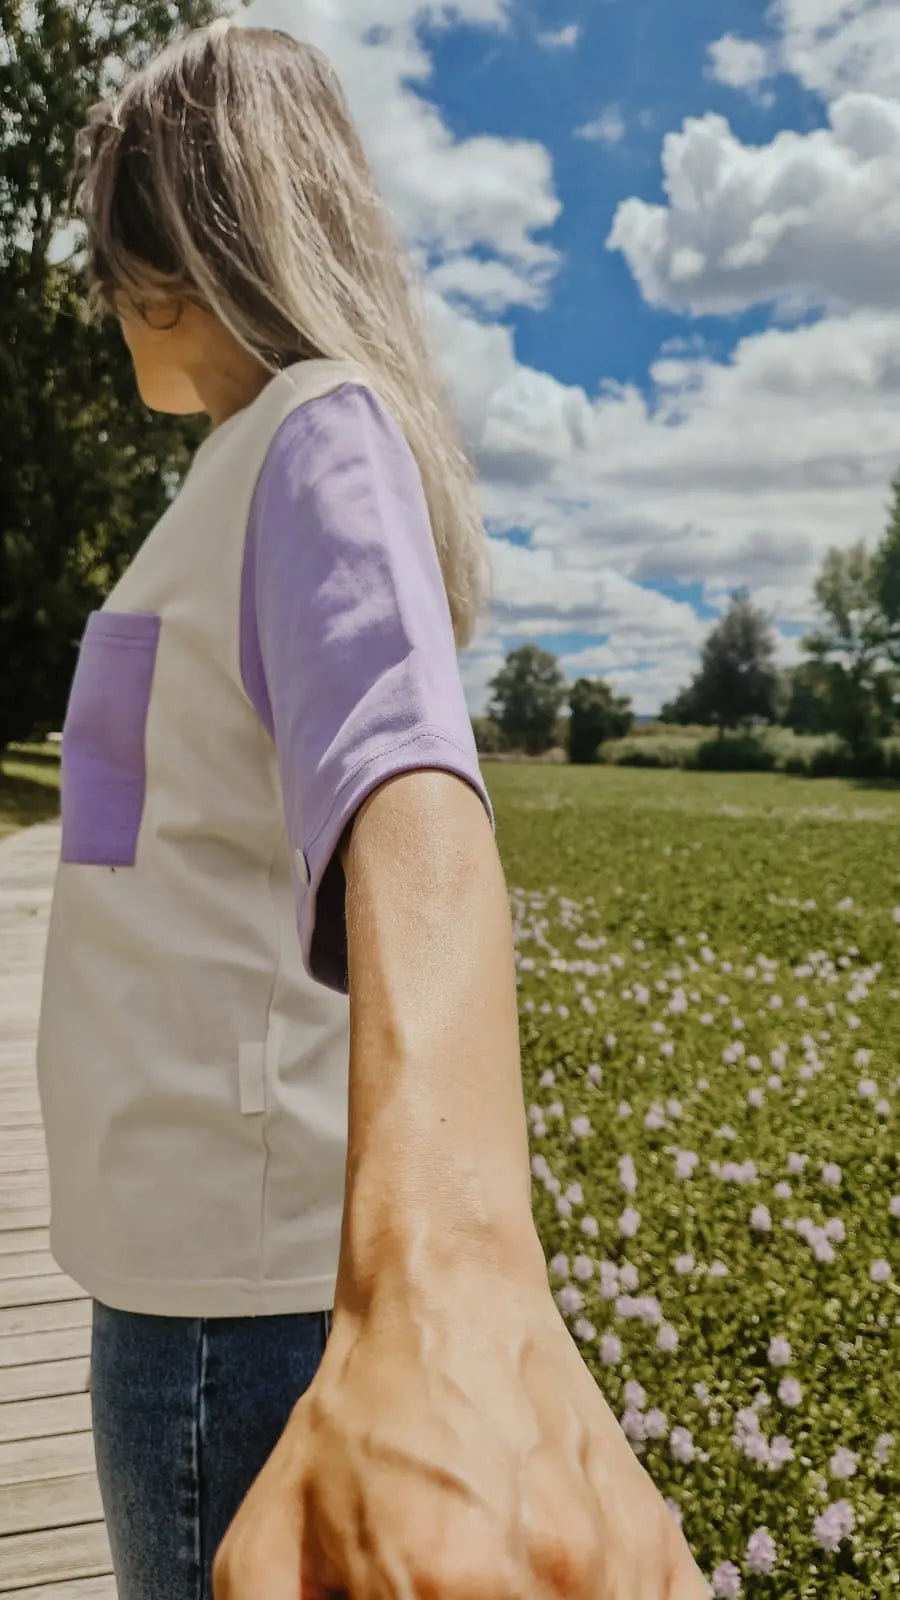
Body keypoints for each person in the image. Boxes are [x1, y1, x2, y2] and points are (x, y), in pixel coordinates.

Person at [36, 20, 710, 1600]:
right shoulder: (228, 475)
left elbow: (412, 795)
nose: (94, 289)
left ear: (183, 245)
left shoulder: (314, 433)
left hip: (241, 1304)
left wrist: (452, 1287)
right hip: (174, 1269)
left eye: (109, 238)